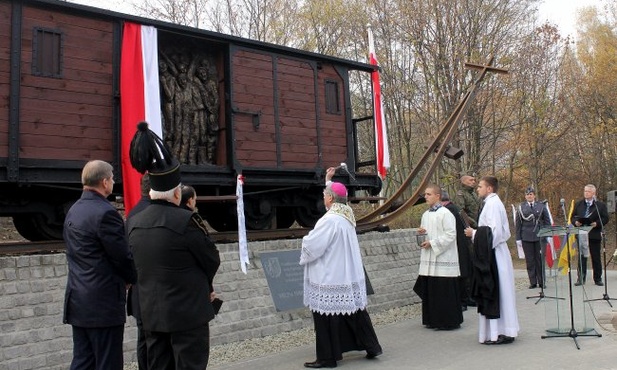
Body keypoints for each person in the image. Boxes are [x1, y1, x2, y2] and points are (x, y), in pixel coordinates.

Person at [127, 122, 220, 370]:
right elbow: (211, 259)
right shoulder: (186, 221)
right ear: (177, 195)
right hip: (187, 314)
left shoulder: (134, 221)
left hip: (151, 313)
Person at [300, 175, 382, 368]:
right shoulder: (346, 215)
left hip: (330, 274)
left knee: (326, 316)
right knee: (353, 311)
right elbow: (337, 191)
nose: (323, 199)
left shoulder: (328, 220)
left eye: (324, 196)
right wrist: (328, 180)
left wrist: (305, 242)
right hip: (347, 273)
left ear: (329, 199)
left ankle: (328, 357)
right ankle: (372, 346)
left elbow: (313, 246)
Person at [63, 160, 137, 370]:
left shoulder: (74, 210)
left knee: (83, 361)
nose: (113, 182)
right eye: (112, 178)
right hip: (102, 303)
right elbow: (121, 256)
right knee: (108, 362)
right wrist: (131, 278)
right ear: (104, 182)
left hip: (78, 299)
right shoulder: (106, 214)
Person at [464, 176, 519, 345]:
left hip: (495, 254)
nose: (477, 188)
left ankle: (502, 331)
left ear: (489, 188)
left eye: (480, 186)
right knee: (500, 292)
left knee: (498, 292)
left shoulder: (493, 204)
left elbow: (493, 234)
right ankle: (498, 330)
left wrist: (473, 234)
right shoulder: (490, 203)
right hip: (494, 253)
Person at [413, 185, 463, 329]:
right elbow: (426, 232)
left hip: (443, 257)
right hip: (429, 257)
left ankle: (448, 321)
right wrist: (422, 234)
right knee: (432, 290)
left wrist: (433, 243)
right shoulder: (425, 214)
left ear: (437, 196)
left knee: (443, 291)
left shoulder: (445, 213)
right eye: (425, 194)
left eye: (429, 194)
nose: (426, 197)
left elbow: (451, 234)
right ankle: (432, 319)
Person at [126, 174, 151, 370]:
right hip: (152, 289)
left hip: (138, 288)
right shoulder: (154, 212)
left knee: (143, 337)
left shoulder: (133, 213)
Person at [441, 189, 473, 311]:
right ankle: (467, 299)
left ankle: (462, 301)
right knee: (465, 273)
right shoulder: (456, 208)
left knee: (460, 274)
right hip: (464, 243)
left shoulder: (448, 211)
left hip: (458, 244)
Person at [572, 184, 610, 286]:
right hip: (581, 232)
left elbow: (605, 218)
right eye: (585, 191)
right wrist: (575, 222)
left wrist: (597, 223)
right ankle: (581, 278)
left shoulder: (600, 205)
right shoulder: (579, 204)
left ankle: (597, 278)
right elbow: (573, 217)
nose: (586, 193)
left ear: (593, 193)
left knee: (596, 257)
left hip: (594, 233)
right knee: (582, 257)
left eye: (588, 191)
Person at [515, 187, 551, 289]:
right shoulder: (521, 207)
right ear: (525, 196)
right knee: (530, 260)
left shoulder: (541, 206)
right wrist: (518, 238)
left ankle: (542, 281)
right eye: (527, 195)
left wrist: (547, 234)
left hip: (539, 236)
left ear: (534, 195)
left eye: (531, 194)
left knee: (539, 260)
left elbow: (547, 221)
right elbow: (518, 223)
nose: (529, 196)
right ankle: (533, 282)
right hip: (526, 236)